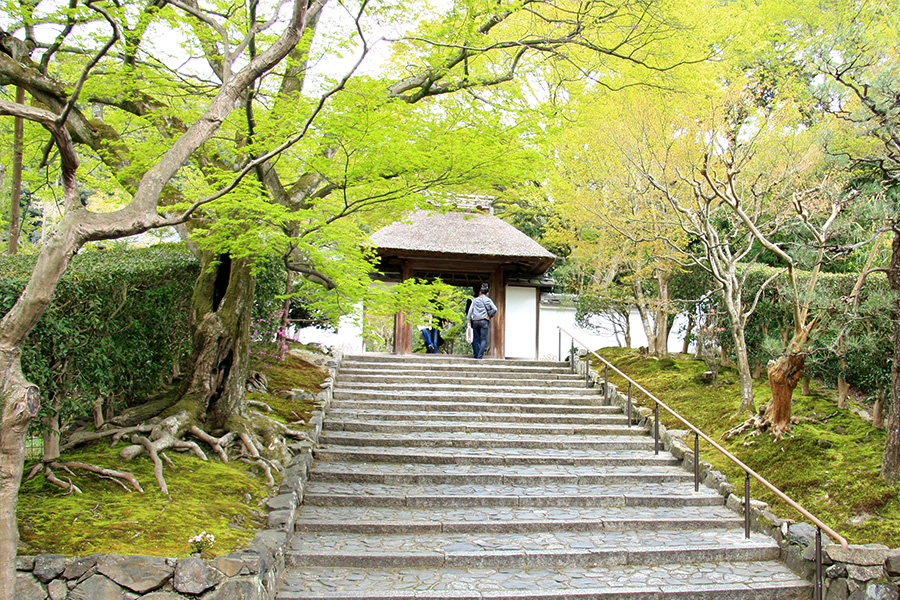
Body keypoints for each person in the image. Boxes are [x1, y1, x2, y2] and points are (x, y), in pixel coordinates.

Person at [466, 283, 497, 359]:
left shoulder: (475, 300)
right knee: (483, 339)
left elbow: (470, 312)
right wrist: (490, 316)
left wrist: (469, 321)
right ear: (487, 293)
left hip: (475, 321)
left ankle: (476, 354)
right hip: (484, 321)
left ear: (480, 292)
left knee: (475, 339)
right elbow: (495, 309)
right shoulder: (488, 300)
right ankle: (480, 356)